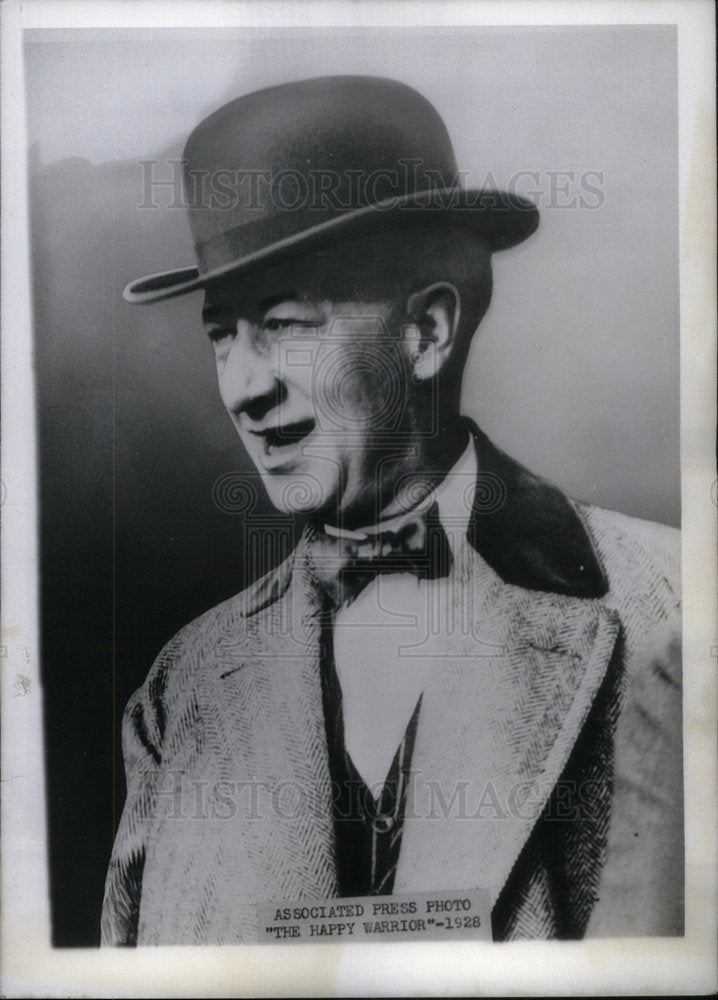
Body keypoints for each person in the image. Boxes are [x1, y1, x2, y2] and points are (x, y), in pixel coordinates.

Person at [101, 75, 682, 945]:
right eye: (223, 333)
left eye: (288, 323)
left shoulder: (678, 611)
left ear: (427, 334)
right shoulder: (178, 688)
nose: (244, 387)